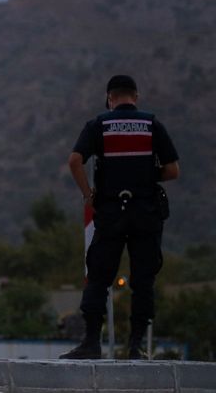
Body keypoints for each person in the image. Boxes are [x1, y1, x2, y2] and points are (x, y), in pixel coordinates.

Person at [60, 75, 179, 360]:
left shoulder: (99, 125)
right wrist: (149, 177)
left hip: (110, 213)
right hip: (146, 214)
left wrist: (88, 195)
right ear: (135, 97)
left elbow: (75, 161)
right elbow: (173, 170)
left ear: (110, 99)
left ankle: (91, 343)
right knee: (143, 281)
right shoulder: (152, 125)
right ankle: (136, 346)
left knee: (99, 278)